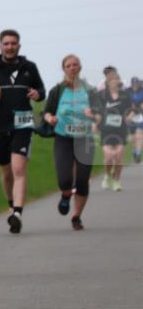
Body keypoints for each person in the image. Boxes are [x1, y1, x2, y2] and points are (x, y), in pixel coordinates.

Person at [0, 29, 45, 233]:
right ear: (0, 46)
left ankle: (18, 213)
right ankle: (12, 207)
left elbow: (41, 91)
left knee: (19, 168)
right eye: (6, 43)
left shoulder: (29, 67)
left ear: (19, 46)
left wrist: (38, 94)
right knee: (6, 172)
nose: (10, 47)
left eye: (13, 43)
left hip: (23, 124)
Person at [42, 54, 100, 231]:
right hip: (63, 138)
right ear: (64, 69)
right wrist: (50, 118)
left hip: (85, 139)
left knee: (82, 180)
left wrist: (94, 115)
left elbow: (100, 115)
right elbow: (46, 112)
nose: (72, 68)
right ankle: (66, 194)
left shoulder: (90, 91)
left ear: (80, 68)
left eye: (75, 65)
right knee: (64, 179)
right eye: (69, 65)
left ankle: (76, 217)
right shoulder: (57, 91)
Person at [97, 68, 133, 191]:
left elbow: (131, 109)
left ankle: (117, 181)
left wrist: (129, 116)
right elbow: (97, 111)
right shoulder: (102, 95)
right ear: (107, 82)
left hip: (121, 129)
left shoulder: (125, 95)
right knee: (108, 158)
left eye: (116, 79)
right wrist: (95, 122)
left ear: (119, 81)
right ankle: (107, 176)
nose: (114, 81)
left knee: (118, 157)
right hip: (106, 130)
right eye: (111, 80)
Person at [129, 77, 143, 163]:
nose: (135, 86)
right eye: (133, 84)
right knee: (133, 137)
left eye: (136, 84)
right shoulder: (128, 91)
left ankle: (138, 153)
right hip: (131, 116)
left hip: (140, 116)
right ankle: (134, 150)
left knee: (139, 135)